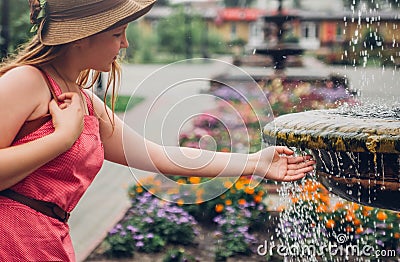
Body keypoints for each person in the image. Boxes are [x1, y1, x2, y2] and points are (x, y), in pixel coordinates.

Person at [0, 0, 315, 260]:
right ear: (84, 35)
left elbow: (158, 155)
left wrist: (255, 162)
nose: (125, 43)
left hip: (46, 242)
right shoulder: (26, 81)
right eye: (117, 34)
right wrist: (62, 139)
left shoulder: (85, 101)